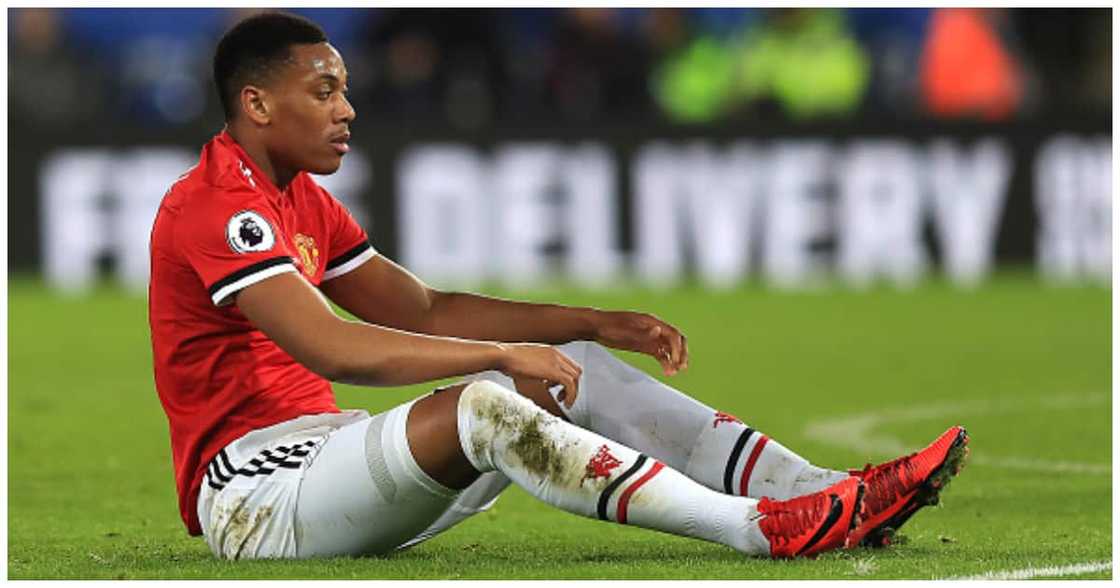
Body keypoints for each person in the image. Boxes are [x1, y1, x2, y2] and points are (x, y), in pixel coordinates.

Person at [148, 12, 968, 562]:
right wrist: (505, 353)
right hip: (253, 494)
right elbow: (330, 345)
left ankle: (830, 493)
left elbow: (424, 308)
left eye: (345, 89)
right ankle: (759, 530)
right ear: (255, 103)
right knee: (488, 399)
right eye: (324, 91)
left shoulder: (300, 199)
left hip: (328, 455)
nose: (347, 109)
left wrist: (589, 322)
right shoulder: (218, 207)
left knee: (557, 363)